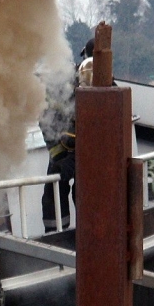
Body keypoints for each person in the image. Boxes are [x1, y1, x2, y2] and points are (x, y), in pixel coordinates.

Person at [39, 41, 91, 232]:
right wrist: (59, 154)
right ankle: (56, 236)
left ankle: (90, 233)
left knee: (86, 192)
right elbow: (46, 120)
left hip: (93, 156)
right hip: (64, 153)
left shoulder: (109, 89)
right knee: (53, 192)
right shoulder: (59, 87)